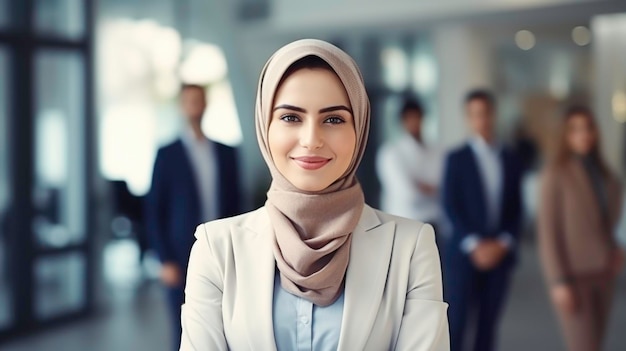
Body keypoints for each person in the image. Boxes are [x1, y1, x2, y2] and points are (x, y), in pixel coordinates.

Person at [179, 39, 449, 351]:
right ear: (264, 126)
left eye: (333, 119)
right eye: (291, 117)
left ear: (359, 128)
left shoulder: (410, 247)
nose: (311, 140)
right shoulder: (217, 248)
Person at [145, 84, 241, 350]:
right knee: (184, 327)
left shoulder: (226, 153)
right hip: (179, 254)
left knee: (223, 324)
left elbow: (237, 206)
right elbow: (154, 210)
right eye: (188, 101)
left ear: (206, 104)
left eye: (198, 100)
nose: (194, 106)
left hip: (221, 253)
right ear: (181, 106)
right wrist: (164, 259)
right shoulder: (167, 154)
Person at [537, 106, 624, 351]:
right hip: (573, 277)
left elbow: (609, 223)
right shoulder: (555, 174)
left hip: (604, 273)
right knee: (582, 346)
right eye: (575, 129)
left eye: (588, 128)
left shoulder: (607, 176)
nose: (583, 134)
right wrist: (558, 281)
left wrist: (617, 249)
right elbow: (548, 233)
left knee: (596, 344)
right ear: (565, 135)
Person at [442, 90, 523, 351]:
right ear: (468, 118)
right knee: (456, 324)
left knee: (488, 328)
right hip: (465, 255)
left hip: (500, 254)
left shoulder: (510, 158)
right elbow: (450, 206)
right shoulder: (456, 158)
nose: (482, 119)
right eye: (476, 114)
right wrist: (475, 244)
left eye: (486, 113)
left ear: (494, 114)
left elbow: (517, 208)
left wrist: (503, 243)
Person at [376, 98, 444, 232]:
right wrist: (434, 189)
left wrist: (423, 186)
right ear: (402, 122)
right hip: (404, 225)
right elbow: (408, 193)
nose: (414, 123)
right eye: (410, 118)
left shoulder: (436, 151)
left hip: (434, 223)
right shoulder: (391, 153)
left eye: (417, 117)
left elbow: (446, 187)